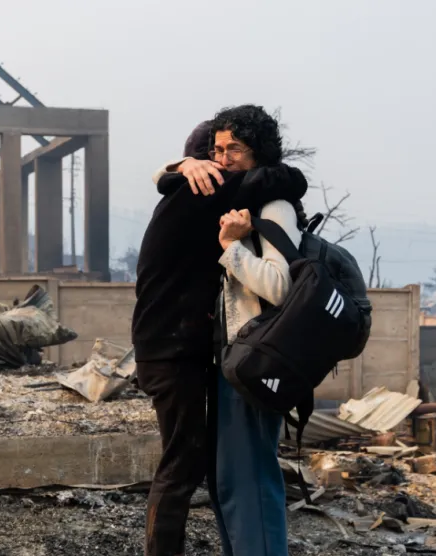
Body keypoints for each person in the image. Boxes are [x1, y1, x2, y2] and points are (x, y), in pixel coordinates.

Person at [132, 106, 307, 556]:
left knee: (217, 467)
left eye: (232, 150)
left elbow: (165, 176)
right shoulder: (207, 190)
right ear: (202, 162)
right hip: (173, 352)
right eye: (216, 151)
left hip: (184, 350)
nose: (223, 160)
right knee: (184, 464)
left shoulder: (184, 189)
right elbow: (283, 180)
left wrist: (177, 165)